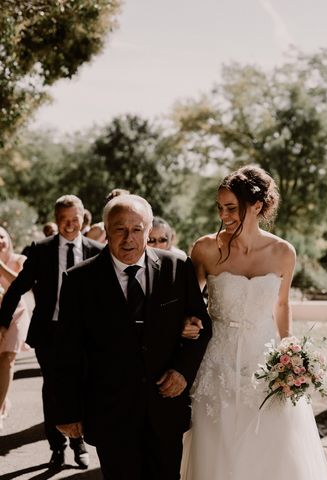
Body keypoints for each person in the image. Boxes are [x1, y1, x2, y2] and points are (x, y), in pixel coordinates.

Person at [180, 165, 327, 479]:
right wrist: (188, 322)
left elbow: (282, 304)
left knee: (269, 448)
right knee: (216, 445)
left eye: (232, 208)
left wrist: (290, 353)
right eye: (221, 208)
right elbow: (188, 304)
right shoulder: (205, 248)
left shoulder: (282, 252)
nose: (224, 215)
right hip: (215, 363)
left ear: (257, 206)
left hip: (265, 365)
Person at [53, 194, 212, 480]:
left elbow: (203, 329)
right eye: (119, 229)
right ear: (106, 230)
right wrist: (66, 410)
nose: (129, 238)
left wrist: (183, 371)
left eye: (137, 229)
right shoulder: (79, 280)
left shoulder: (177, 268)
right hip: (110, 411)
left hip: (165, 409)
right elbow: (66, 351)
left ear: (149, 230)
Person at [0, 195, 103, 469]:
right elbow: (18, 287)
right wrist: (2, 321)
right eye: (64, 220)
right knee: (53, 390)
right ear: (57, 220)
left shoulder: (97, 250)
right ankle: (56, 447)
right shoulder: (41, 249)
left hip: (84, 334)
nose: (70, 226)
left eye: (75, 220)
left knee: (82, 386)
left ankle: (78, 442)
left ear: (84, 218)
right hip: (50, 332)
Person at [0, 227, 29, 430]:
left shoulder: (19, 260)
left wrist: (0, 266)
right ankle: (4, 399)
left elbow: (22, 285)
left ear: (8, 239)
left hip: (17, 315)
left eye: (1, 237)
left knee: (7, 360)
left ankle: (0, 409)